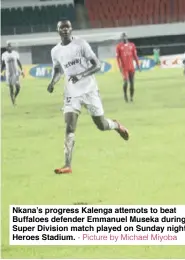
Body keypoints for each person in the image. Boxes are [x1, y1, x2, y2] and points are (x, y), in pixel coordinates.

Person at [47, 20, 130, 174]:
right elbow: (58, 70)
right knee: (69, 126)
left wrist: (80, 76)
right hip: (71, 93)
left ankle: (116, 125)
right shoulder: (55, 51)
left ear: (71, 29)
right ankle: (67, 165)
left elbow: (97, 65)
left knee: (102, 125)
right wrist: (52, 82)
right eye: (61, 28)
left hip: (89, 90)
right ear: (58, 31)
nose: (65, 30)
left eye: (67, 27)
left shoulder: (81, 44)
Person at [116, 32, 141, 103]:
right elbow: (117, 58)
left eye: (125, 37)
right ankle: (125, 94)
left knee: (132, 84)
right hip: (124, 68)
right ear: (121, 38)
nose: (124, 38)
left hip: (131, 68)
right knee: (126, 82)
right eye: (122, 37)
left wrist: (138, 65)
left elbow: (135, 56)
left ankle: (131, 97)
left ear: (127, 37)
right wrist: (119, 67)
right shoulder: (119, 46)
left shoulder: (132, 45)